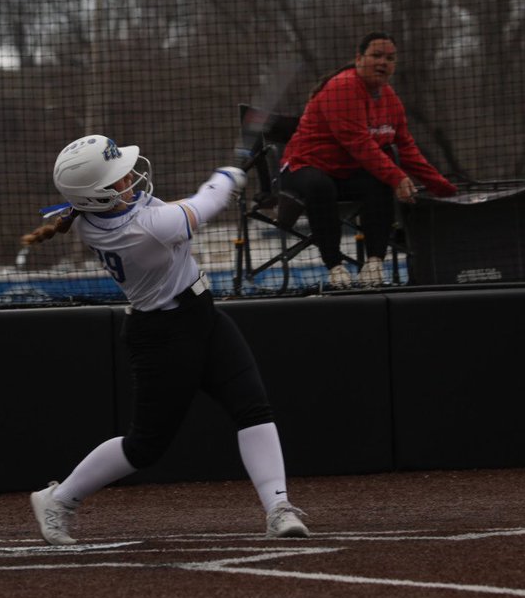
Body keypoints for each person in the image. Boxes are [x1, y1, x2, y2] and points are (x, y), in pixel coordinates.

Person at [21, 135, 309, 545]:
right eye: (117, 179)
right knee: (145, 446)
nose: (129, 180)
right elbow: (206, 203)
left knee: (253, 408)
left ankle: (278, 508)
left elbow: (114, 202)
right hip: (163, 337)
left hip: (202, 315)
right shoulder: (147, 229)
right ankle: (59, 497)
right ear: (97, 197)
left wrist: (226, 177)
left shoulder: (91, 218)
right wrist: (226, 176)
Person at [279, 32, 457, 288]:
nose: (383, 62)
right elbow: (359, 144)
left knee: (378, 181)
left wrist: (444, 189)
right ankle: (335, 266)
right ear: (359, 58)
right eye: (376, 56)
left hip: (345, 174)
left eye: (390, 58)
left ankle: (374, 263)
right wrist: (398, 177)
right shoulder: (343, 88)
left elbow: (406, 147)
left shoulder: (390, 99)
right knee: (321, 185)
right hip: (303, 168)